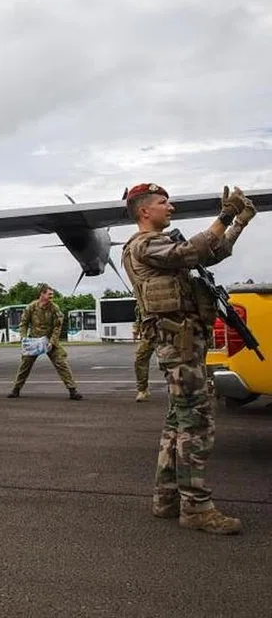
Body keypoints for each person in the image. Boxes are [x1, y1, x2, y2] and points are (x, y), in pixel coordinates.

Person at [121, 182, 255, 535]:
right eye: (164, 203)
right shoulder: (145, 244)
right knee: (196, 423)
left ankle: (166, 499)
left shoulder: (160, 244)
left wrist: (239, 222)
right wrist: (225, 215)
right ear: (144, 211)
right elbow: (193, 250)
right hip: (177, 343)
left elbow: (212, 252)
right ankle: (196, 507)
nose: (172, 207)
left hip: (182, 342)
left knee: (177, 423)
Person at [7, 284, 83, 400]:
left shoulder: (54, 308)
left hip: (49, 340)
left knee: (61, 363)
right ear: (42, 294)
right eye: (49, 294)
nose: (52, 296)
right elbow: (23, 323)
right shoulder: (31, 307)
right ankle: (16, 389)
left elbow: (57, 327)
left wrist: (52, 342)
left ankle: (73, 390)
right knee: (25, 365)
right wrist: (23, 338)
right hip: (34, 341)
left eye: (52, 294)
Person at [133, 302, 154, 402]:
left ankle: (177, 390)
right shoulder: (142, 295)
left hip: (167, 333)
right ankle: (142, 389)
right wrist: (136, 329)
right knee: (139, 359)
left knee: (170, 362)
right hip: (148, 335)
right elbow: (139, 315)